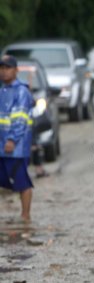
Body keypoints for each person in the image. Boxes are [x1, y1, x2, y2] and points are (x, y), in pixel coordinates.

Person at [0, 55, 34, 222]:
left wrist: (12, 140)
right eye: (1, 68)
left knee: (22, 182)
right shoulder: (2, 90)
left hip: (16, 148)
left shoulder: (21, 91)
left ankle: (25, 216)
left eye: (7, 68)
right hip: (3, 146)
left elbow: (20, 120)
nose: (4, 71)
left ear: (15, 70)